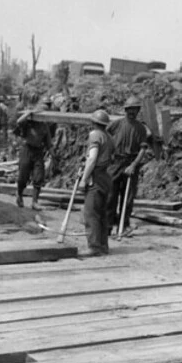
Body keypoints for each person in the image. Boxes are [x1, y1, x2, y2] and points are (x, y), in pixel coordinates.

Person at [106, 96, 151, 236]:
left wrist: (133, 165)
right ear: (125, 110)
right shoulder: (116, 124)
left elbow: (143, 149)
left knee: (128, 197)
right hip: (115, 163)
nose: (132, 112)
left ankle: (123, 226)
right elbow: (105, 136)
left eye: (135, 110)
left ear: (138, 111)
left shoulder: (141, 128)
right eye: (129, 109)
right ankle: (107, 226)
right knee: (110, 196)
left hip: (131, 163)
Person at [77, 110, 114, 256]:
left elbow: (92, 159)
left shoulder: (95, 135)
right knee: (101, 214)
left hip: (96, 176)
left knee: (91, 213)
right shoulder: (109, 137)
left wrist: (84, 179)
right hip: (105, 176)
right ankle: (103, 246)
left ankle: (94, 247)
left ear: (93, 123)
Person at [13, 96, 55, 210]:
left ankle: (35, 202)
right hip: (27, 149)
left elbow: (48, 143)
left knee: (38, 176)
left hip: (38, 152)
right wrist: (30, 113)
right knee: (23, 176)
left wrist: (53, 155)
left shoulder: (45, 127)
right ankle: (19, 194)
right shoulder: (29, 123)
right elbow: (19, 121)